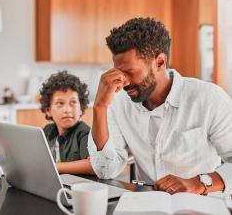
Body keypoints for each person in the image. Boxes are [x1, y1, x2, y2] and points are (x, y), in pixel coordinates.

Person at [88, 17, 232, 195]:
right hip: (146, 204)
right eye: (119, 71)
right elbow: (105, 170)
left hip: (202, 205)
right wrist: (100, 107)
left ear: (160, 62)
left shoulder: (209, 99)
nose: (123, 82)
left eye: (130, 72)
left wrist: (198, 183)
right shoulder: (117, 103)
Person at [39, 71, 94, 174]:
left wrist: (53, 167)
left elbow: (92, 165)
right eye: (60, 103)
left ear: (81, 108)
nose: (67, 110)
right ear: (48, 110)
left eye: (73, 102)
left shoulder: (84, 133)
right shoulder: (47, 131)